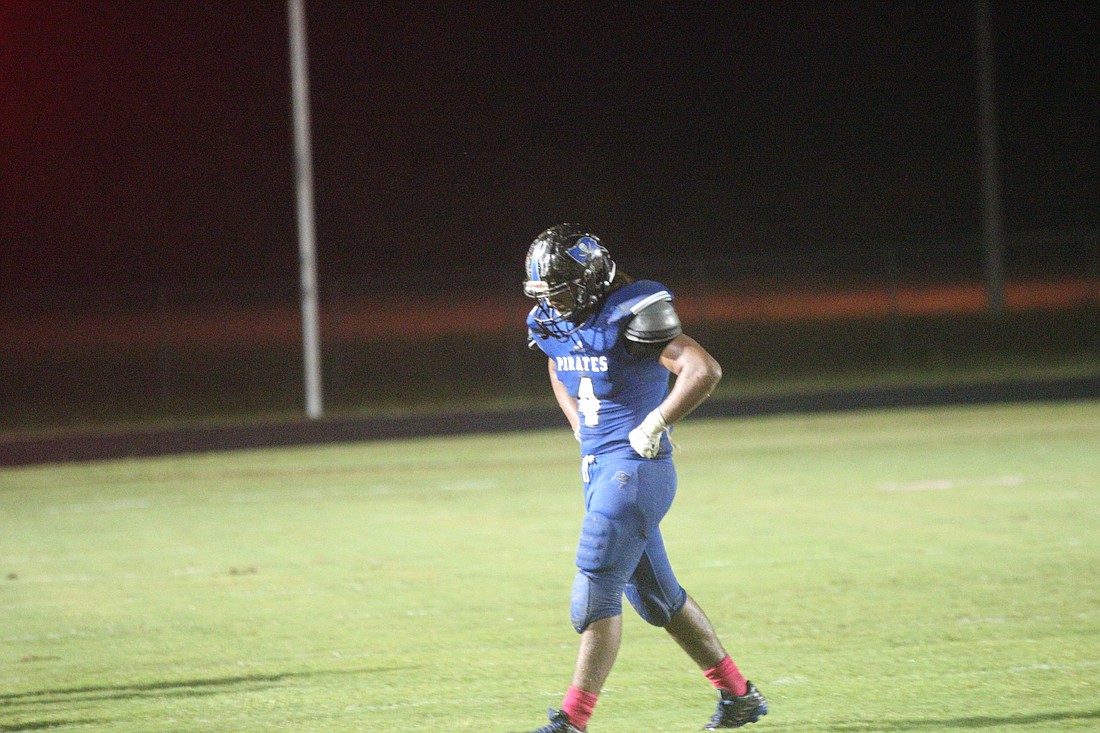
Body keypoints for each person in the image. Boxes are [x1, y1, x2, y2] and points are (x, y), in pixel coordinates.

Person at [518, 223, 768, 732]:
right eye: (547, 292)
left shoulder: (631, 313)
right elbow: (557, 365)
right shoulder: (551, 322)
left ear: (589, 279)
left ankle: (573, 720)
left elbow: (703, 370)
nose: (554, 302)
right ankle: (739, 696)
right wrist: (580, 432)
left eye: (562, 288)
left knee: (595, 586)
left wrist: (655, 423)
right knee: (657, 598)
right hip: (600, 469)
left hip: (637, 469)